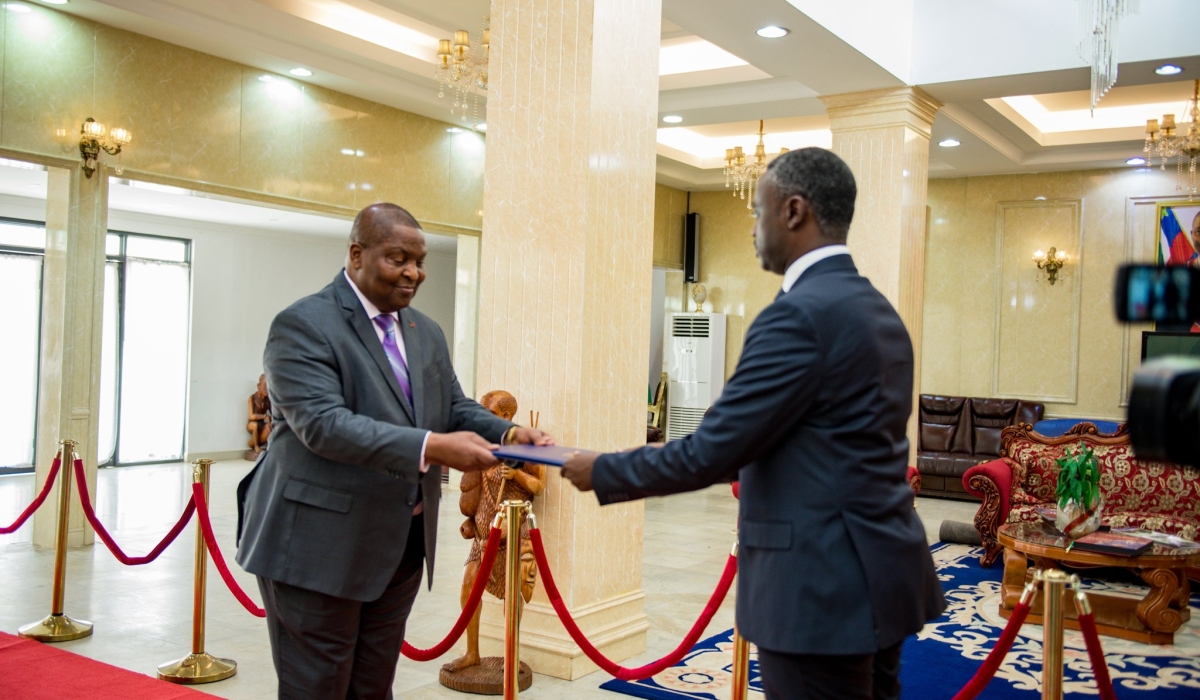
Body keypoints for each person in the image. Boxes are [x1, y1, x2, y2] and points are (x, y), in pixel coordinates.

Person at [561, 148, 945, 700]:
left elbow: (712, 452)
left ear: (793, 211)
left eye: (757, 212)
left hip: (818, 589)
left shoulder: (797, 316)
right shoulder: (876, 307)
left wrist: (603, 469)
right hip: (884, 571)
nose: (752, 229)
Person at [236, 203, 553, 700]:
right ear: (357, 255)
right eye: (398, 259)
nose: (414, 273)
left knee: (373, 687)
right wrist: (431, 446)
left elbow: (451, 405)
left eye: (420, 261)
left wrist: (508, 434)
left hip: (398, 545)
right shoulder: (303, 325)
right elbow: (323, 426)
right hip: (318, 547)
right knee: (318, 688)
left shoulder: (423, 331)